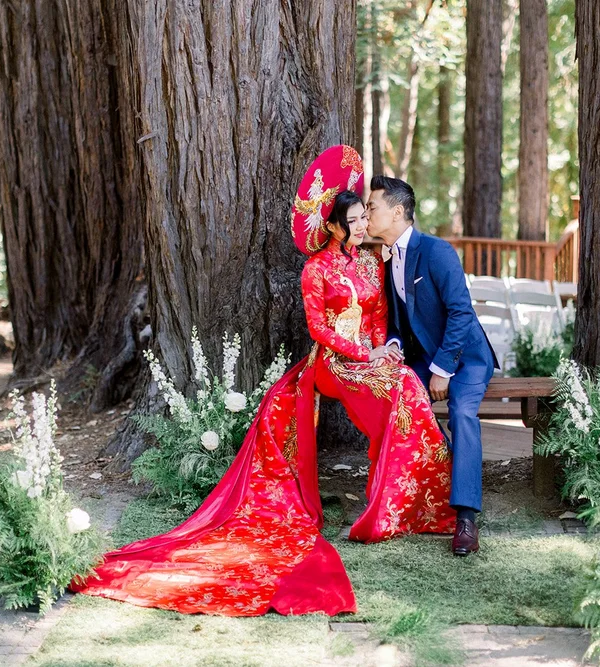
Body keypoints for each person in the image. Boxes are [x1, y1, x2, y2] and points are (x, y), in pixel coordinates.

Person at [70, 146, 455, 617]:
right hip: (332, 362)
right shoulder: (316, 269)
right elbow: (320, 329)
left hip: (368, 356)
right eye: (352, 221)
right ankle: (388, 502)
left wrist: (382, 349)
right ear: (334, 227)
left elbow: (376, 316)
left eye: (363, 218)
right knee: (386, 388)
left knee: (406, 384)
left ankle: (403, 502)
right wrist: (362, 354)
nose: (361, 227)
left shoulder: (371, 263)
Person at [364, 175, 497, 557]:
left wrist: (443, 368)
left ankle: (466, 518)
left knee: (462, 413)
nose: (367, 215)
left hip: (466, 357)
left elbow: (460, 312)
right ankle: (429, 483)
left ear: (397, 212)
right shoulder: (388, 258)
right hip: (423, 358)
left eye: (372, 207)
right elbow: (397, 323)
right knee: (399, 401)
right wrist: (392, 345)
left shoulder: (437, 251)